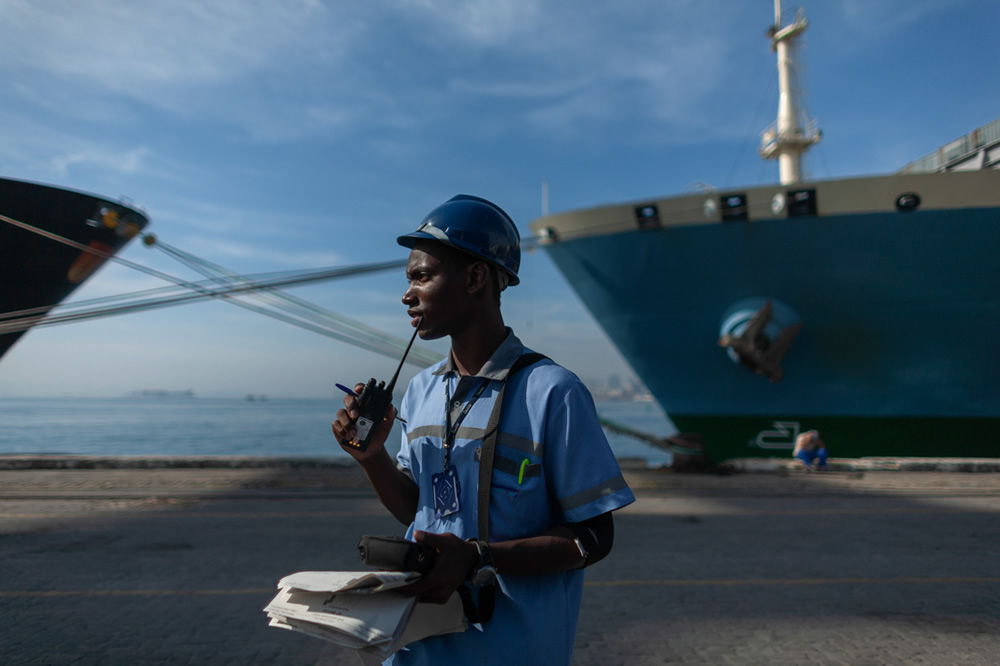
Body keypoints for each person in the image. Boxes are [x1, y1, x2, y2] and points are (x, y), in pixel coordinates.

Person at [332, 194, 636, 665]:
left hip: (514, 651)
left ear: (475, 277)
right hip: (418, 649)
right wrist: (371, 458)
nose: (406, 294)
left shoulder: (553, 392)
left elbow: (594, 538)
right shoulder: (421, 390)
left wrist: (479, 557)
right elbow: (417, 507)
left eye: (421, 276)